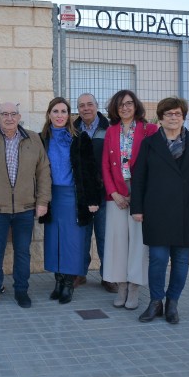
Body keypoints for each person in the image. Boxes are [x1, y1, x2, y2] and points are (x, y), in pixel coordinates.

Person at [132, 97, 189, 324]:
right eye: (168, 114)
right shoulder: (149, 144)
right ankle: (156, 301)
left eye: (177, 113)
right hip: (157, 209)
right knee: (157, 258)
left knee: (181, 259)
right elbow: (139, 179)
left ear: (183, 116)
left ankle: (173, 303)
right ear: (160, 118)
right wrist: (137, 208)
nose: (173, 117)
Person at [0, 103, 51, 309]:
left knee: (23, 252)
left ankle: (21, 291)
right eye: (4, 114)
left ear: (19, 116)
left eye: (13, 114)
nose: (8, 118)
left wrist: (42, 201)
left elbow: (43, 172)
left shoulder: (33, 139)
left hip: (25, 208)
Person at [41, 97, 101, 304]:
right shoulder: (41, 139)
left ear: (69, 115)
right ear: (49, 114)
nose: (59, 116)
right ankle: (57, 281)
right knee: (53, 240)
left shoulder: (80, 138)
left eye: (63, 112)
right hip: (50, 197)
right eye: (55, 111)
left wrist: (92, 199)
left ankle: (68, 284)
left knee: (72, 241)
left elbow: (89, 171)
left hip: (73, 197)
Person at [101, 90, 158, 310]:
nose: (125, 108)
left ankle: (134, 287)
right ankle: (121, 285)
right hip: (115, 193)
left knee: (138, 243)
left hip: (140, 192)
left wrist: (137, 194)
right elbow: (105, 165)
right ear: (115, 109)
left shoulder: (149, 129)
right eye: (120, 105)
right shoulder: (111, 131)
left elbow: (154, 165)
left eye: (129, 103)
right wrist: (114, 193)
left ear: (136, 106)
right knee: (117, 242)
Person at [74, 93, 117, 293]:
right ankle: (79, 273)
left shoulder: (108, 129)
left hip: (103, 191)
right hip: (81, 192)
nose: (86, 108)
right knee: (81, 234)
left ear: (97, 106)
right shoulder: (72, 129)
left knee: (104, 234)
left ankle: (108, 276)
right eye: (81, 105)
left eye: (89, 104)